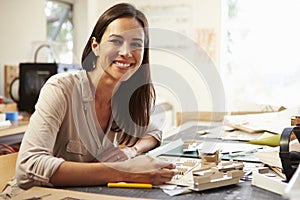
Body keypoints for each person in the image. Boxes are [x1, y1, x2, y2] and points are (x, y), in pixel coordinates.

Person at [6, 3, 176, 194]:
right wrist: (124, 171)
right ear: (95, 46)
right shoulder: (61, 88)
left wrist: (130, 152)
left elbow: (153, 133)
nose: (127, 52)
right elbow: (28, 168)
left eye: (136, 44)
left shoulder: (125, 98)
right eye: (116, 41)